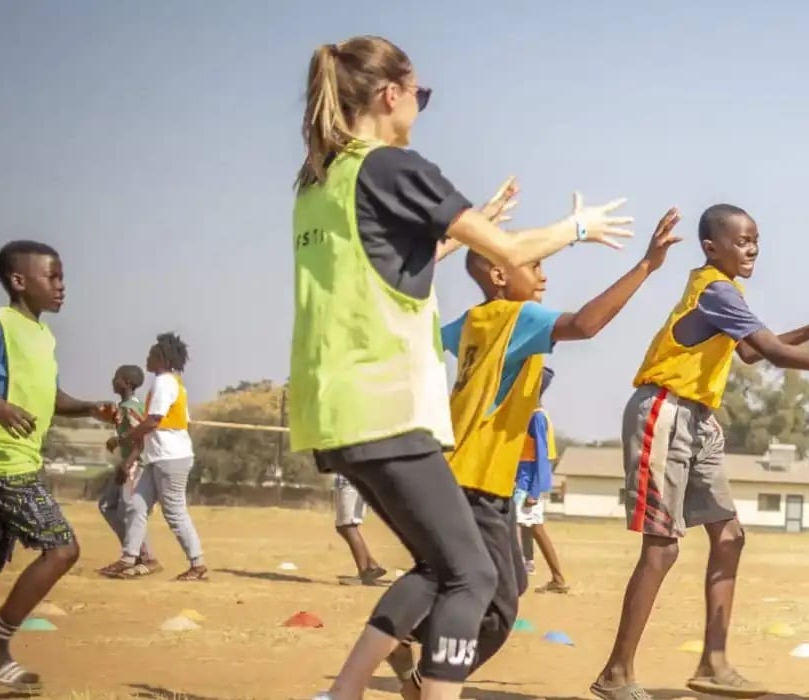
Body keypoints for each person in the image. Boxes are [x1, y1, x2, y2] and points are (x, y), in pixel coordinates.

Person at [290, 35, 634, 700]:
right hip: (384, 407)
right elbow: (508, 251)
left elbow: (384, 267)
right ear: (392, 95)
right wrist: (578, 227)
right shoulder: (392, 167)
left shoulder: (318, 182)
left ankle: (347, 692)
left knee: (444, 565)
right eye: (419, 95)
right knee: (473, 578)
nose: (420, 108)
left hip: (330, 411)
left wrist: (448, 235)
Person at [591, 204, 809, 700]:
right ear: (712, 248)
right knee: (662, 548)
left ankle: (714, 664)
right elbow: (770, 352)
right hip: (664, 411)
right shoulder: (715, 289)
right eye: (742, 240)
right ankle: (616, 674)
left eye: (756, 240)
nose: (752, 248)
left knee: (729, 536)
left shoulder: (728, 293)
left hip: (699, 418)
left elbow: (749, 352)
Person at [383, 208, 684, 699]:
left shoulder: (473, 321)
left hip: (460, 473)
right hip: (478, 481)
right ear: (501, 273)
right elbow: (586, 325)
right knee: (499, 610)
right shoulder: (518, 316)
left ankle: (401, 636)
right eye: (535, 263)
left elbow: (428, 334)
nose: (544, 274)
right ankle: (421, 672)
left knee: (462, 578)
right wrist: (647, 266)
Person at [0, 240, 115, 693]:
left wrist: (88, 406)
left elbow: (48, 396)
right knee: (62, 548)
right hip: (0, 459)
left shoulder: (42, 335)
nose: (62, 286)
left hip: (7, 459)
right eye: (53, 276)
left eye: (62, 277)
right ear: (19, 280)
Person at [106, 333, 208, 581]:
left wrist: (122, 439)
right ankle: (129, 558)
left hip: (170, 458)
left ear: (161, 357)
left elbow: (153, 422)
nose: (147, 358)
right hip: (158, 458)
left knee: (174, 512)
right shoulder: (171, 382)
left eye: (151, 354)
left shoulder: (164, 382)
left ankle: (197, 564)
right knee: (137, 506)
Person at [95, 364, 157, 577]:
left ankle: (143, 557)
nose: (113, 381)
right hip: (129, 462)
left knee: (132, 509)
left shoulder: (130, 408)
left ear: (127, 383)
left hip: (135, 464)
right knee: (107, 505)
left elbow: (140, 438)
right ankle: (137, 552)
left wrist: (127, 463)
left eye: (117, 378)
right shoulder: (126, 406)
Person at [515, 371, 567, 593]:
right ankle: (558, 578)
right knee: (535, 529)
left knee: (511, 527)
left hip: (527, 483)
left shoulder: (536, 416)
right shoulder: (530, 415)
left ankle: (512, 577)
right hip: (523, 480)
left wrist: (534, 491)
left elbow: (542, 456)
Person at [333, 474, 387, 585]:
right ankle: (371, 565)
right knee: (343, 527)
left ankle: (364, 572)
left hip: (349, 482)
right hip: (354, 482)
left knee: (347, 526)